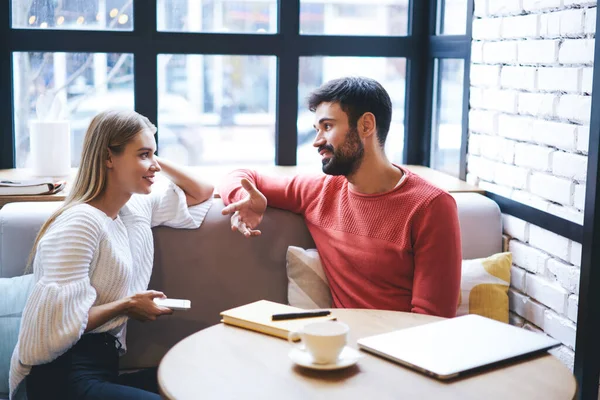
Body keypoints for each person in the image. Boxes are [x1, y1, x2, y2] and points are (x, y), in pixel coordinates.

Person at [9, 110, 214, 400]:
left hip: (100, 369)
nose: (155, 166)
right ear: (108, 158)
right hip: (61, 375)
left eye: (154, 155)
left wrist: (150, 158)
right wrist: (127, 305)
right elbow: (57, 325)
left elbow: (203, 190)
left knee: (199, 380)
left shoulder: (133, 210)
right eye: (142, 154)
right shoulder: (79, 223)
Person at [220, 77, 461, 318]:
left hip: (400, 348)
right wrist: (245, 197)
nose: (317, 142)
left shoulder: (431, 206)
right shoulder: (318, 191)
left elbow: (431, 319)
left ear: (366, 125)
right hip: (339, 345)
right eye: (317, 129)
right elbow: (239, 174)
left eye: (327, 127)